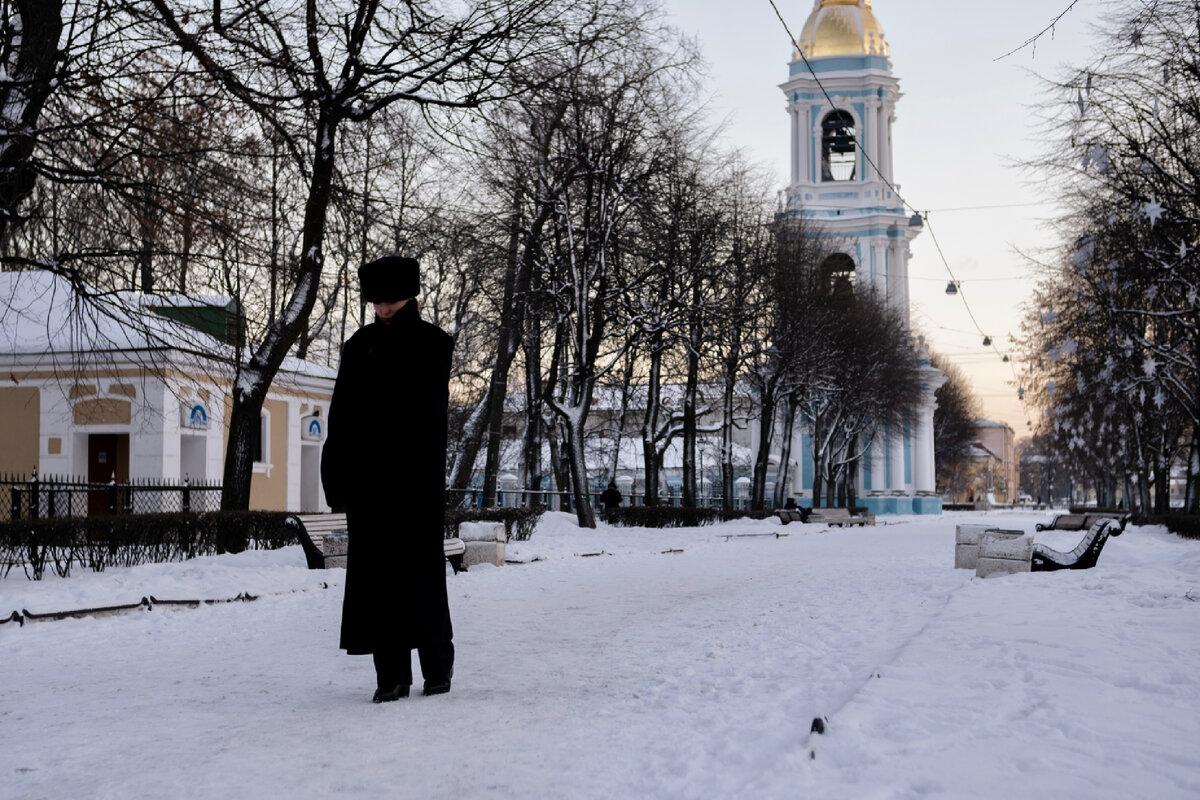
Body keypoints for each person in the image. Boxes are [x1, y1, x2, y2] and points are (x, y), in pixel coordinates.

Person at [321, 255, 455, 704]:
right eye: (377, 302)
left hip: (414, 482)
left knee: (421, 575)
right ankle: (391, 675)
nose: (382, 309)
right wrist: (336, 473)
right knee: (377, 580)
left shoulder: (433, 343)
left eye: (390, 301)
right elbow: (341, 415)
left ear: (409, 295)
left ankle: (437, 667)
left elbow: (429, 415)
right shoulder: (358, 346)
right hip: (369, 485)